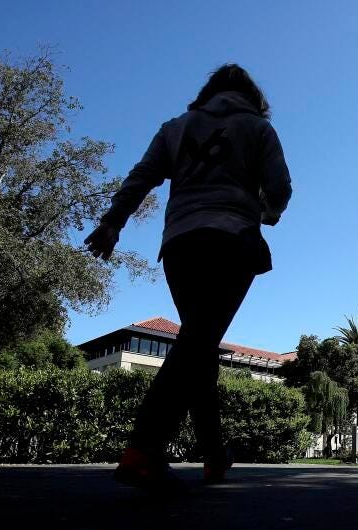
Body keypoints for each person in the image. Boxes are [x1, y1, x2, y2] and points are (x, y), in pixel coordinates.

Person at [84, 64, 291, 490]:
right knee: (199, 341)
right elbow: (280, 188)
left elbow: (140, 178)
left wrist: (112, 222)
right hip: (232, 240)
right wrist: (264, 211)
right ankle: (144, 448)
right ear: (253, 97)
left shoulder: (176, 127)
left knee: (200, 344)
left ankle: (214, 454)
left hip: (180, 243)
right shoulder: (258, 129)